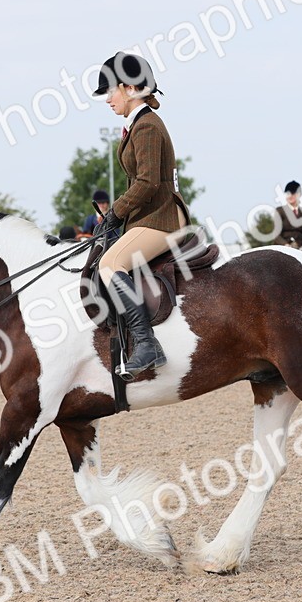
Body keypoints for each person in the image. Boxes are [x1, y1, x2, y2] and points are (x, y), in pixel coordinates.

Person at [92, 51, 190, 379]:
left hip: (161, 217)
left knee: (110, 264)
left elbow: (147, 182)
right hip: (148, 216)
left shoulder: (147, 126)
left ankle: (147, 345)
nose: (107, 99)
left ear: (130, 88)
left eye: (111, 91)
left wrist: (114, 213)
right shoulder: (137, 126)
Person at [273, 180, 302, 248]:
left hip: (301, 247)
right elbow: (276, 235)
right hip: (283, 247)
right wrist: (286, 245)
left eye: (293, 193)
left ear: (299, 194)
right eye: (288, 193)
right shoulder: (280, 211)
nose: (290, 196)